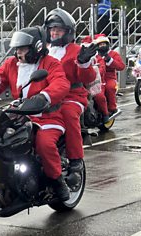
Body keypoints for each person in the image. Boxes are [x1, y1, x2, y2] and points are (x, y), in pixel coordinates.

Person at [0, 26, 71, 201]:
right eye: (17, 49)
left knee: (44, 144)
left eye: (22, 49)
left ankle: (57, 182)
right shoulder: (11, 64)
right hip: (19, 114)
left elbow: (61, 82)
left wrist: (44, 97)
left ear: (36, 47)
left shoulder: (50, 63)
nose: (18, 53)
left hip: (46, 116)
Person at [43, 8, 97, 174]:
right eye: (52, 29)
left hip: (71, 96)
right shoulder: (44, 50)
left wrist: (84, 62)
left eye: (58, 29)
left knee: (67, 113)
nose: (54, 32)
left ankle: (76, 158)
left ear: (68, 32)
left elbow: (88, 78)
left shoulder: (76, 50)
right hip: (47, 95)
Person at [94, 34, 125, 116]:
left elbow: (121, 66)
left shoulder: (114, 54)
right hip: (96, 79)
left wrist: (110, 60)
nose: (102, 46)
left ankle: (112, 108)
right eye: (100, 44)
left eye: (104, 44)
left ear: (107, 44)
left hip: (110, 78)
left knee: (110, 87)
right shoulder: (94, 55)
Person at [81, 36, 109, 123]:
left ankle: (105, 114)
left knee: (99, 96)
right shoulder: (80, 58)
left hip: (97, 83)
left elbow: (102, 68)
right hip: (83, 84)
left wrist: (94, 71)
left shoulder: (98, 57)